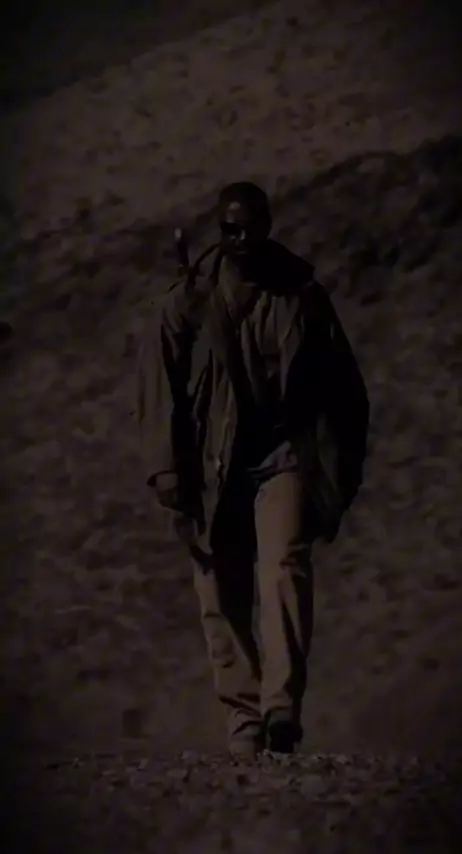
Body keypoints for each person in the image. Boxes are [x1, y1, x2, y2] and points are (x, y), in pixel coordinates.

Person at [136, 182, 369, 761]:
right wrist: (166, 470)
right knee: (218, 587)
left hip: (282, 456)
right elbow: (157, 388)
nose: (239, 239)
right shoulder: (186, 303)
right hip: (211, 464)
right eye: (229, 229)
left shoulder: (300, 296)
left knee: (283, 565)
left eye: (249, 227)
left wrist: (339, 468)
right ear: (219, 231)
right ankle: (243, 719)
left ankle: (280, 706)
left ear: (266, 226)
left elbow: (344, 387)